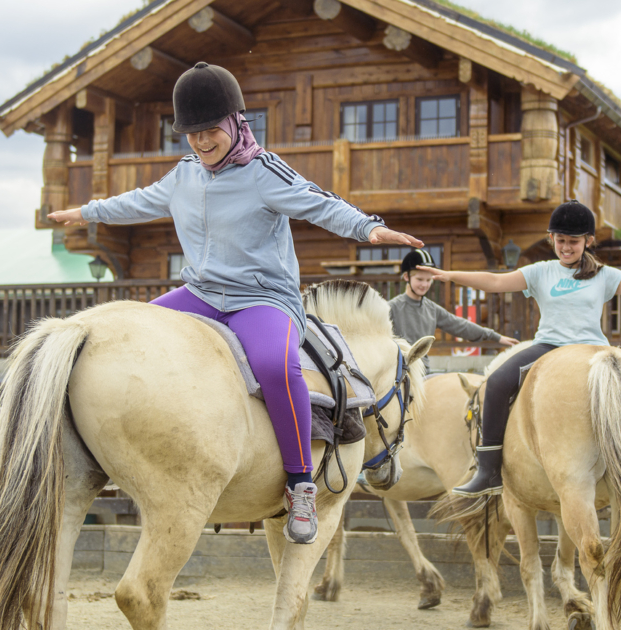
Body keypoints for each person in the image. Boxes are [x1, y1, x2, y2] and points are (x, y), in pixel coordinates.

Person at [48, 62, 423, 544]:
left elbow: (320, 202)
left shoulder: (264, 172)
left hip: (262, 299)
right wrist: (86, 213)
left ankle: (300, 483)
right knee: (134, 329)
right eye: (192, 134)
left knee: (275, 364)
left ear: (235, 123)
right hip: (200, 294)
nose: (202, 143)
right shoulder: (184, 174)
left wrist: (368, 227)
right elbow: (139, 201)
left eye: (210, 132)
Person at [420, 200, 621, 502]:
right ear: (551, 238)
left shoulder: (604, 275)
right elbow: (495, 281)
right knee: (498, 382)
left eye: (574, 242)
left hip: (595, 348)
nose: (566, 247)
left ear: (588, 241)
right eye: (561, 240)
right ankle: (488, 470)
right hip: (548, 347)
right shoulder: (540, 272)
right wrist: (450, 275)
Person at [388, 249, 518, 352]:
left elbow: (460, 325)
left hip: (424, 371)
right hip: (398, 373)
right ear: (406, 277)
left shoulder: (432, 309)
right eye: (420, 279)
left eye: (429, 280)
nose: (425, 285)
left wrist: (496, 337)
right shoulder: (391, 307)